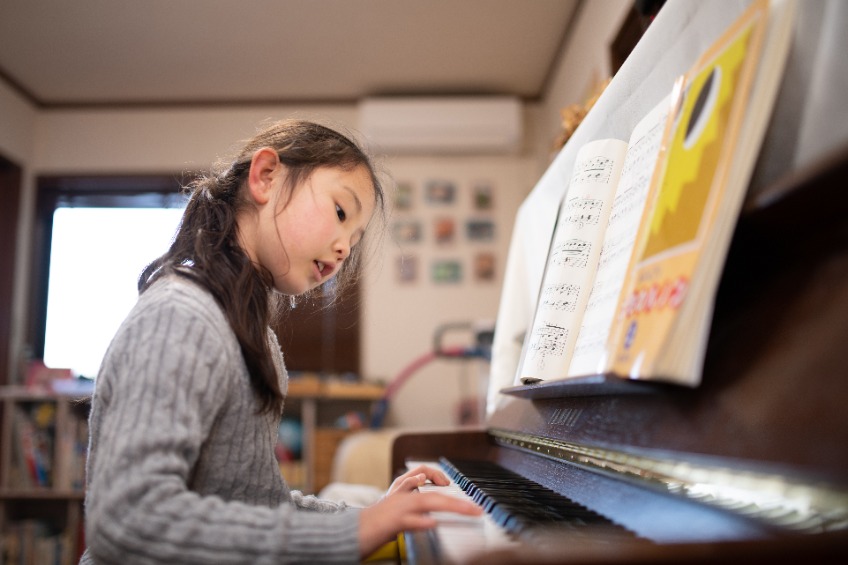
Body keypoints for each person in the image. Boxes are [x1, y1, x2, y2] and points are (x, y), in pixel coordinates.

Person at [80, 119, 481, 564]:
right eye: (341, 213)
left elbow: (258, 507)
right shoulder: (180, 315)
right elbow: (128, 520)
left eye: (354, 238)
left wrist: (373, 514)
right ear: (266, 176)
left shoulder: (257, 339)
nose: (346, 248)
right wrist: (358, 529)